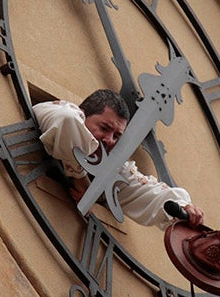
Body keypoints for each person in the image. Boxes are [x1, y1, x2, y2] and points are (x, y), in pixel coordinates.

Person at [33, 89, 205, 229]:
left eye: (117, 136)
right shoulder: (58, 111)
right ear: (83, 114)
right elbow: (67, 121)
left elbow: (149, 194)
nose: (109, 140)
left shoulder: (114, 167)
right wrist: (81, 180)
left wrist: (183, 207)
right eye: (104, 128)